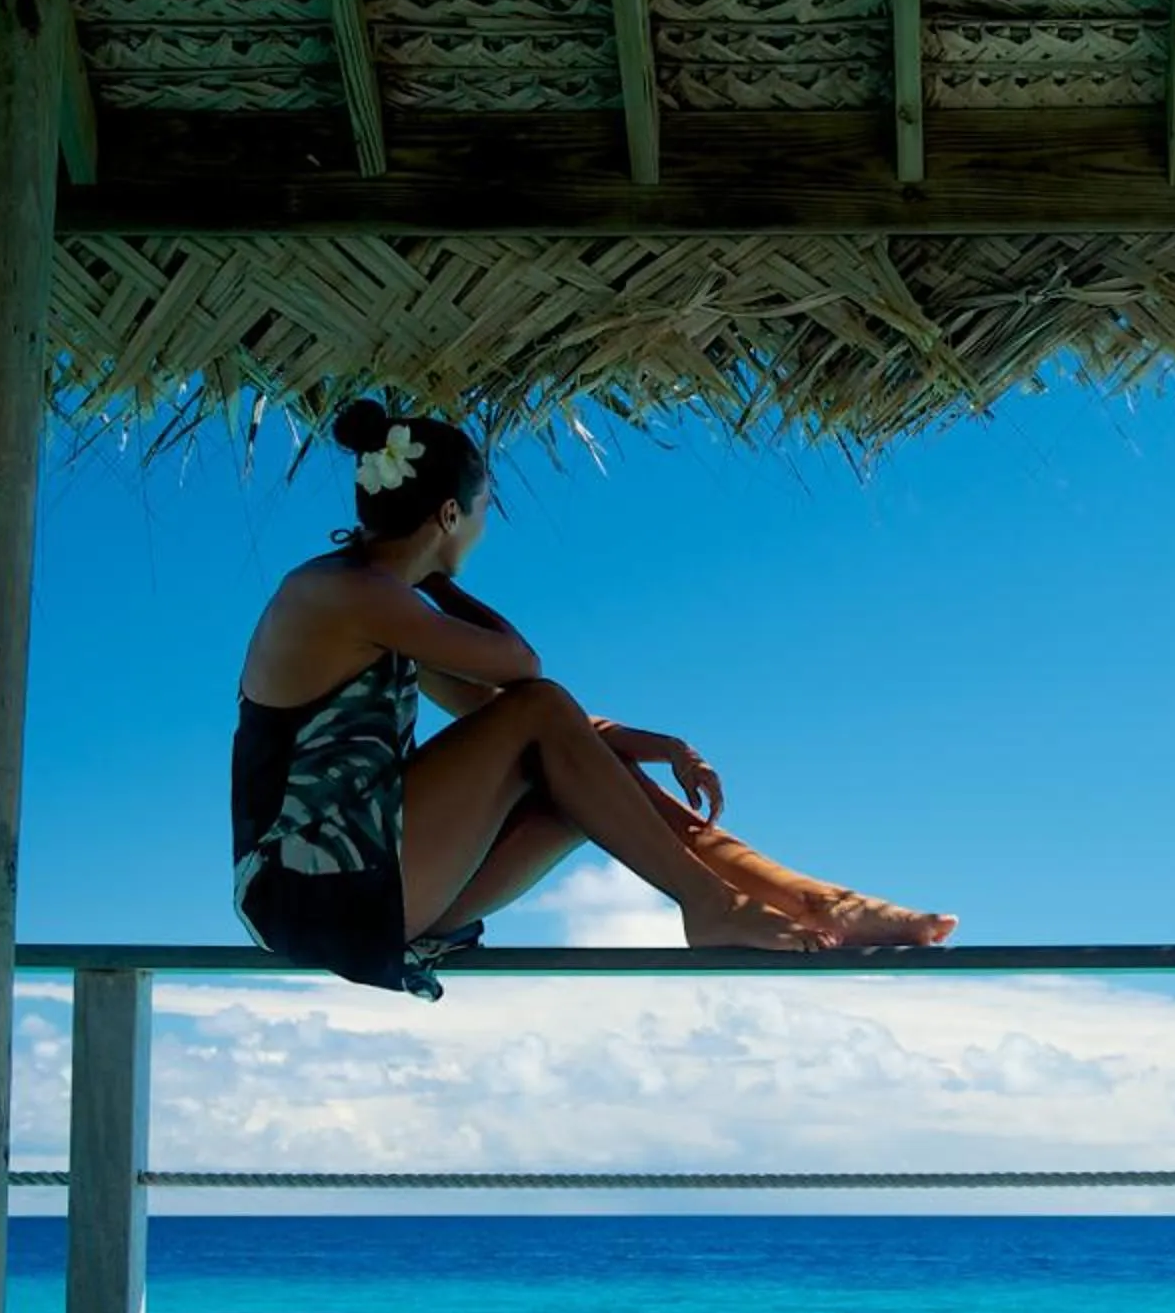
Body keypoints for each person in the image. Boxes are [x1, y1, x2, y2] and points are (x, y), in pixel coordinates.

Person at [232, 401, 954, 997]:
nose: (483, 529)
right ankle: (711, 903)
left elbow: (510, 719)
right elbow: (524, 675)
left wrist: (648, 743)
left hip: (367, 883)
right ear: (451, 515)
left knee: (587, 789)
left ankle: (805, 898)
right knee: (546, 710)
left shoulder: (381, 604)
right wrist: (436, 577)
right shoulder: (343, 594)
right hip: (313, 892)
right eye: (482, 512)